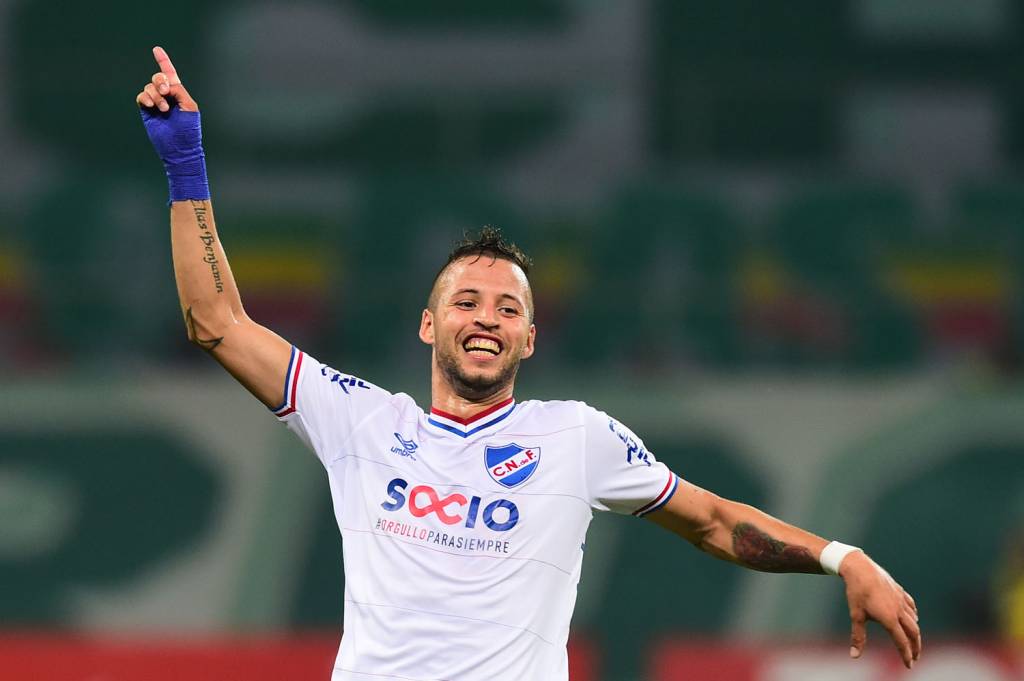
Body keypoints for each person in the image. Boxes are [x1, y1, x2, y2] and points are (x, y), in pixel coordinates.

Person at [136, 46, 922, 680]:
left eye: (508, 308)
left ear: (531, 338)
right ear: (428, 324)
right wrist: (185, 163)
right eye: (468, 301)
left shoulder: (576, 438)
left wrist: (841, 556)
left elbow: (713, 521)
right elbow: (217, 323)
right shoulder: (361, 421)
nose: (487, 317)